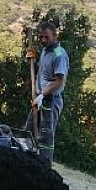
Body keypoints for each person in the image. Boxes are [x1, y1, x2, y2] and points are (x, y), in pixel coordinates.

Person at [28, 21, 69, 167]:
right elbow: (45, 72)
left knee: (45, 137)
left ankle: (44, 167)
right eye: (41, 37)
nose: (43, 40)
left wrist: (42, 95)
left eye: (46, 37)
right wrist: (32, 58)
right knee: (30, 131)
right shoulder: (45, 50)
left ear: (55, 35)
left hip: (50, 100)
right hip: (39, 98)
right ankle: (28, 163)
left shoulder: (59, 54)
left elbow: (59, 81)